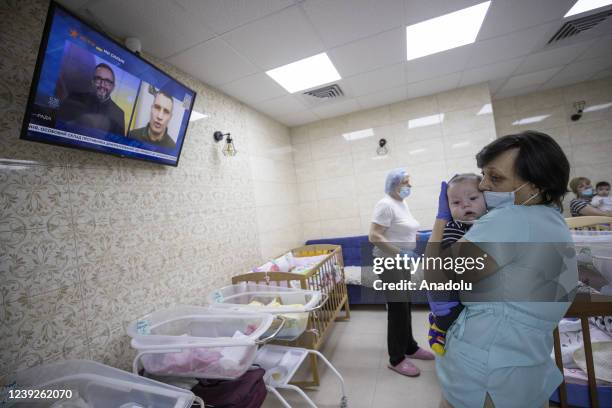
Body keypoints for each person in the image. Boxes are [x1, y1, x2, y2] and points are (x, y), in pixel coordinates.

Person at [427, 131, 578, 408]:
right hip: (524, 358)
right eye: (483, 175)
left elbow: (434, 274)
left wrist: (440, 221)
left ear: (535, 186)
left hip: (488, 365)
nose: (483, 185)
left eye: (495, 178)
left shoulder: (510, 218)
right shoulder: (552, 219)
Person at [368, 168, 434, 377]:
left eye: (409, 182)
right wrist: (400, 253)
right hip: (389, 263)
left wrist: (419, 235)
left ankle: (410, 347)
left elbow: (401, 228)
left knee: (405, 306)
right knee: (397, 309)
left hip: (401, 262)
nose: (409, 186)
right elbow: (374, 236)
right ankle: (396, 359)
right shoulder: (385, 204)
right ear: (394, 184)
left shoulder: (401, 203)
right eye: (406, 182)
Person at [427, 173, 487, 356]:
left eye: (473, 198)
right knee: (450, 311)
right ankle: (438, 327)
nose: (465, 205)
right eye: (456, 202)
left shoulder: (491, 220)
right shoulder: (454, 227)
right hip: (455, 282)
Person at [56, 62, 125, 136]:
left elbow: (117, 143)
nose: (102, 85)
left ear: (113, 87)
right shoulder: (74, 98)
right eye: (98, 79)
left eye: (107, 81)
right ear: (92, 81)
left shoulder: (119, 114)